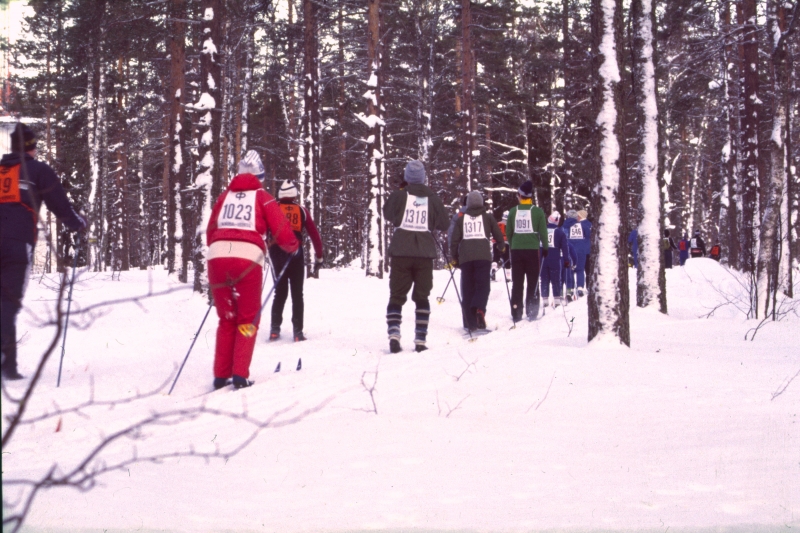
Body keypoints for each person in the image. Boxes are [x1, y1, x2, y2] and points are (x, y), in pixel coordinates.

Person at [205, 150, 298, 390]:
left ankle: (221, 375)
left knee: (227, 318)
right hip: (247, 259)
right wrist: (293, 247)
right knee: (248, 318)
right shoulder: (262, 197)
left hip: (216, 258)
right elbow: (281, 230)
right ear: (260, 176)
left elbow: (210, 230)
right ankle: (239, 374)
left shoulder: (224, 197)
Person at [0, 123, 86, 380]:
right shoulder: (38, 170)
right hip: (17, 243)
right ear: (32, 148)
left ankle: (8, 365)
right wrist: (78, 224)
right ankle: (7, 367)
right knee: (7, 304)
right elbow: (60, 205)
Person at [383, 160, 449, 353]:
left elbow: (387, 213)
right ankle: (420, 340)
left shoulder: (399, 195)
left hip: (401, 252)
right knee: (422, 296)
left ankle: (394, 334)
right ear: (423, 178)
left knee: (396, 295)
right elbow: (444, 223)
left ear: (407, 177)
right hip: (424, 254)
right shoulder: (433, 198)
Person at [268, 180, 323, 342]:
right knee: (297, 294)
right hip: (296, 253)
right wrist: (319, 255)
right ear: (294, 194)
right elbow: (314, 235)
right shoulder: (301, 210)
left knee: (280, 292)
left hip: (276, 252)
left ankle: (274, 329)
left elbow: (264, 230)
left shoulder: (273, 209)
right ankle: (298, 332)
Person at [449, 190, 505, 332]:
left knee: (467, 289)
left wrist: (454, 257)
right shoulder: (487, 217)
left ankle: (470, 323)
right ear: (481, 203)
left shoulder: (462, 219)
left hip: (466, 259)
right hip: (483, 257)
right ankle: (479, 308)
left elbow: (454, 240)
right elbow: (498, 234)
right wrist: (501, 245)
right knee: (483, 286)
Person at [505, 181, 549, 321]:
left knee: (517, 283)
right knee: (533, 282)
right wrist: (546, 247)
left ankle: (516, 312)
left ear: (519, 196)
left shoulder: (513, 211)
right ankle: (532, 311)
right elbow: (543, 232)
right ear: (530, 197)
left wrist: (513, 245)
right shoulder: (537, 212)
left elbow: (509, 233)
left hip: (517, 251)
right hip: (532, 251)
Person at [540, 211, 570, 307]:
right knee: (556, 279)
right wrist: (566, 260)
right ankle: (557, 300)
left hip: (542, 259)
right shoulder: (560, 233)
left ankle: (545, 299)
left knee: (544, 278)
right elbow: (565, 248)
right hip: (555, 259)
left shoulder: (541, 231)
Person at [563, 209, 591, 297]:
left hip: (568, 250)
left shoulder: (565, 226)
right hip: (581, 249)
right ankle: (580, 288)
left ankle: (569, 289)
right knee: (580, 269)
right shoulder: (582, 225)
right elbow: (589, 235)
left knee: (569, 269)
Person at [490, 211, 509, 282]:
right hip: (506, 242)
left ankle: (493, 270)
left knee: (495, 258)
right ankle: (508, 276)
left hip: (496, 242)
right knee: (507, 259)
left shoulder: (498, 224)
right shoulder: (509, 224)